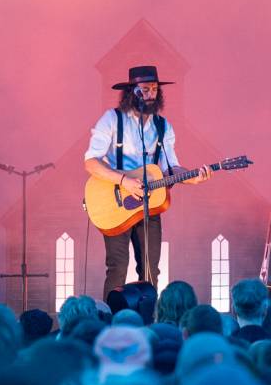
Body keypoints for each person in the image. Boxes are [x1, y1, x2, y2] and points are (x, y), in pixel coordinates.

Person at [83, 66, 211, 296]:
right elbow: (91, 162)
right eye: (144, 89)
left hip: (149, 206)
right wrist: (124, 181)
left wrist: (192, 177)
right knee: (117, 267)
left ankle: (148, 322)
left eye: (154, 89)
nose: (150, 94)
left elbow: (171, 167)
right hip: (116, 202)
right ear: (132, 91)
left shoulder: (163, 127)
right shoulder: (112, 119)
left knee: (151, 270)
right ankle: (114, 322)